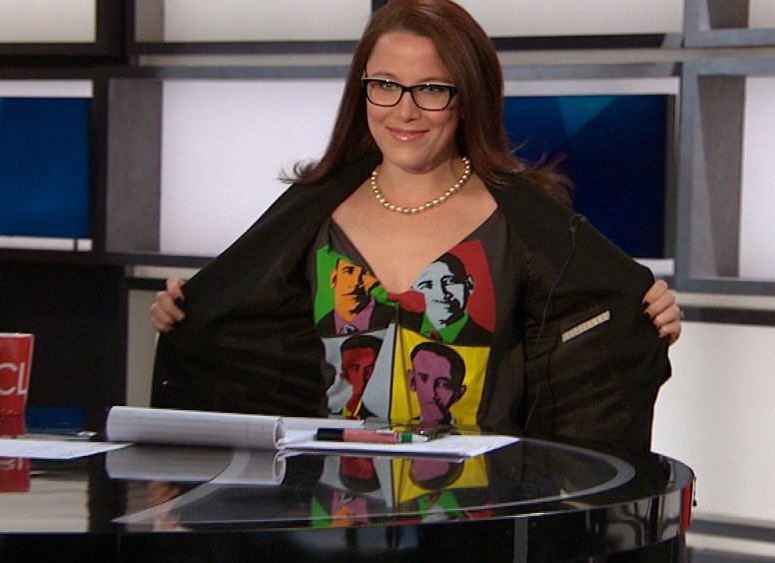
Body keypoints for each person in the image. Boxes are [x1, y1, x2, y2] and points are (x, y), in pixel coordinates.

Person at [149, 0, 681, 455]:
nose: (404, 111)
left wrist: (644, 317)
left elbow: (597, 336)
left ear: (469, 96)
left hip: (484, 515)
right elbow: (237, 338)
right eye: (385, 85)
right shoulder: (312, 214)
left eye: (430, 88)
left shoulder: (521, 221)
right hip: (333, 513)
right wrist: (184, 312)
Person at [407, 341, 466, 426]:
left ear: (459, 393)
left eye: (444, 384)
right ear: (412, 381)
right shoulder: (402, 427)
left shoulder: (467, 430)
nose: (432, 394)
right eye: (423, 379)